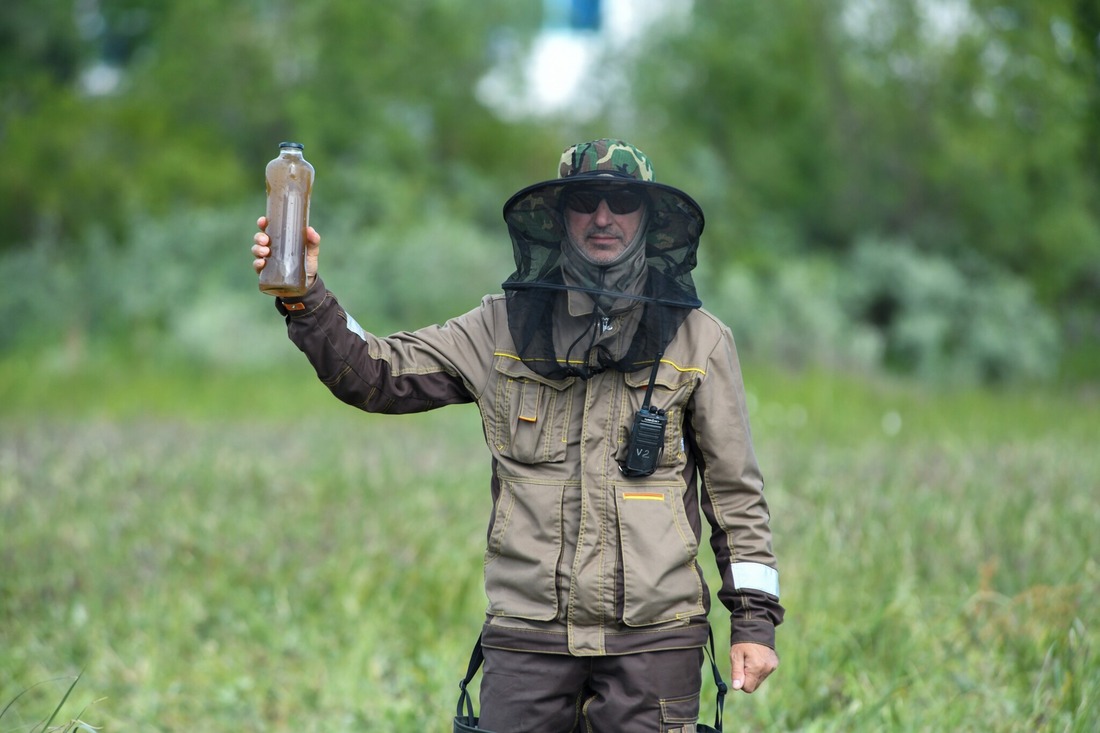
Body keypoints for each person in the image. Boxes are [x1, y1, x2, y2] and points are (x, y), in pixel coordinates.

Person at [251, 139, 783, 732]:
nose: (603, 216)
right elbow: (377, 373)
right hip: (528, 642)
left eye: (621, 201)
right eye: (584, 200)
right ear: (558, 218)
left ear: (648, 218)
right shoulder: (498, 325)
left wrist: (754, 624)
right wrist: (305, 298)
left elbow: (734, 492)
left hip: (656, 643)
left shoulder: (700, 338)